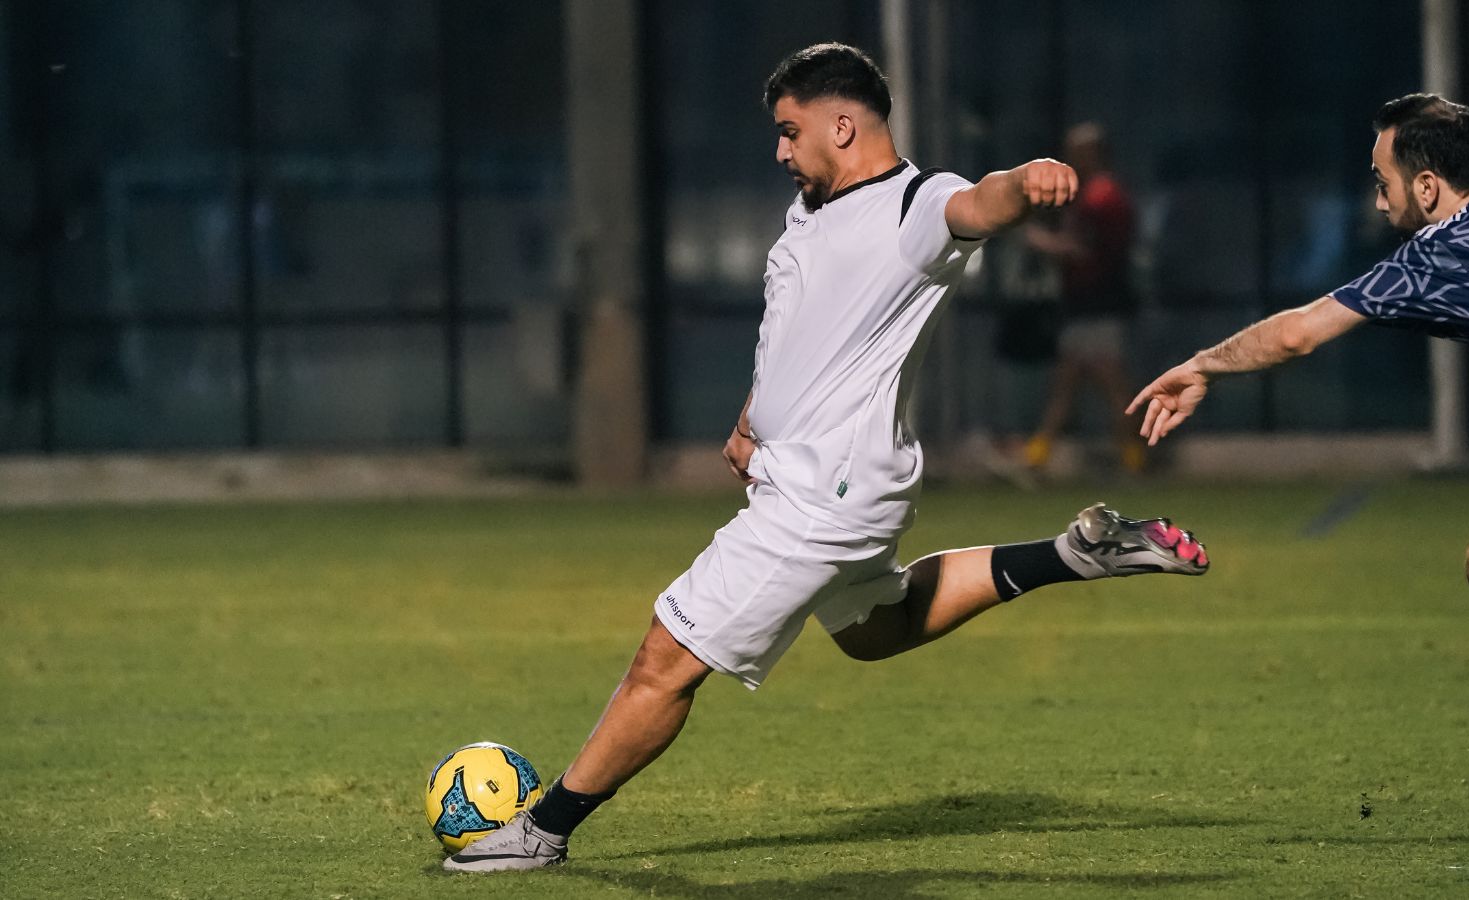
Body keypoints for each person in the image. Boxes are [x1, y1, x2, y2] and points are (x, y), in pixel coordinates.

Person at [444, 43, 1209, 873]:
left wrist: (1032, 180)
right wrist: (751, 417)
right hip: (829, 482)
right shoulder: (813, 207)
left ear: (842, 124)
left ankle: (540, 832)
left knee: (663, 661)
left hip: (821, 496)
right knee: (874, 630)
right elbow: (806, 330)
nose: (779, 151)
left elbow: (982, 205)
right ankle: (1071, 554)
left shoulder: (914, 207)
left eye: (788, 130)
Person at [1129, 93, 1469, 835]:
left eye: (1381, 178)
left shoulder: (1445, 251)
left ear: (1425, 186)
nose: (1375, 196)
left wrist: (1203, 366)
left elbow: (1296, 336)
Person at [1022, 122, 1145, 475]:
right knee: (1068, 382)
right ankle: (1037, 457)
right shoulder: (1094, 193)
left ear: (1093, 153)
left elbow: (1084, 251)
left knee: (1110, 383)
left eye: (1077, 151)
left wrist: (1041, 242)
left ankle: (1134, 459)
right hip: (1085, 306)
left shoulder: (1102, 197)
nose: (1070, 158)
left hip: (1098, 305)